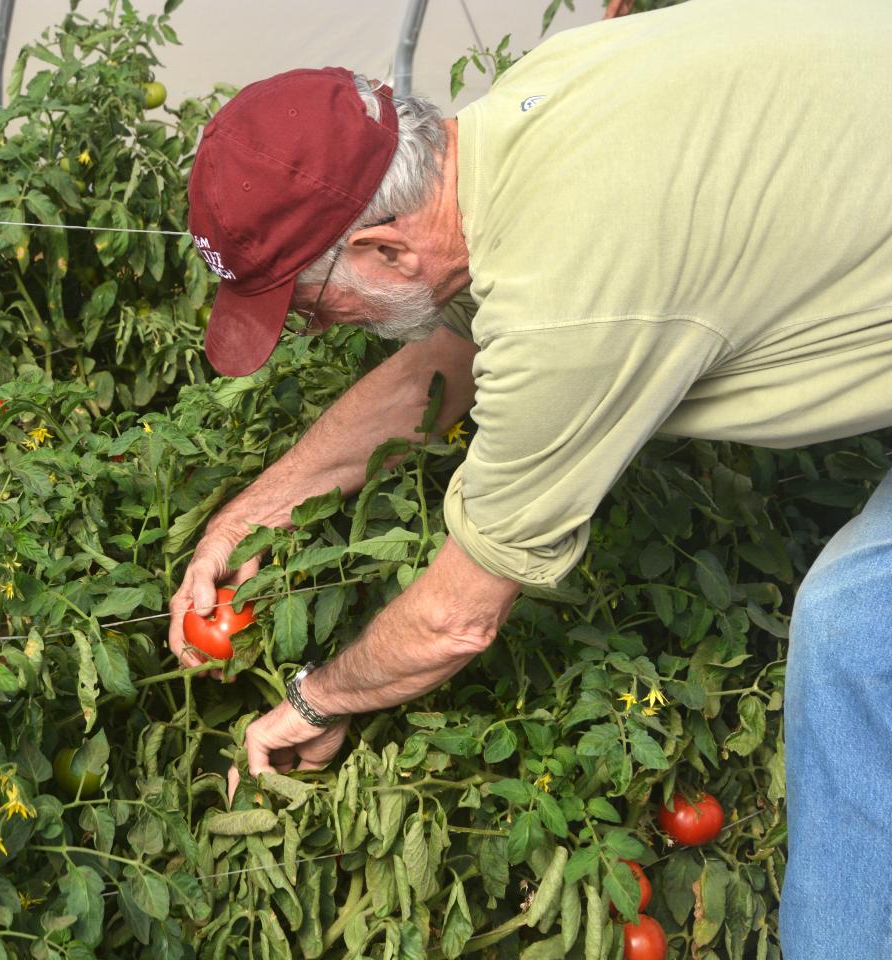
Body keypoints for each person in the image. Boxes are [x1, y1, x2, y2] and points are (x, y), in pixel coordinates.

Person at [167, 2, 892, 957]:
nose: (315, 329)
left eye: (311, 304)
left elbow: (456, 617)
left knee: (854, 633)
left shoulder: (570, 307)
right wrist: (250, 515)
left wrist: (317, 700)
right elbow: (454, 353)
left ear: (386, 248)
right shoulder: (532, 111)